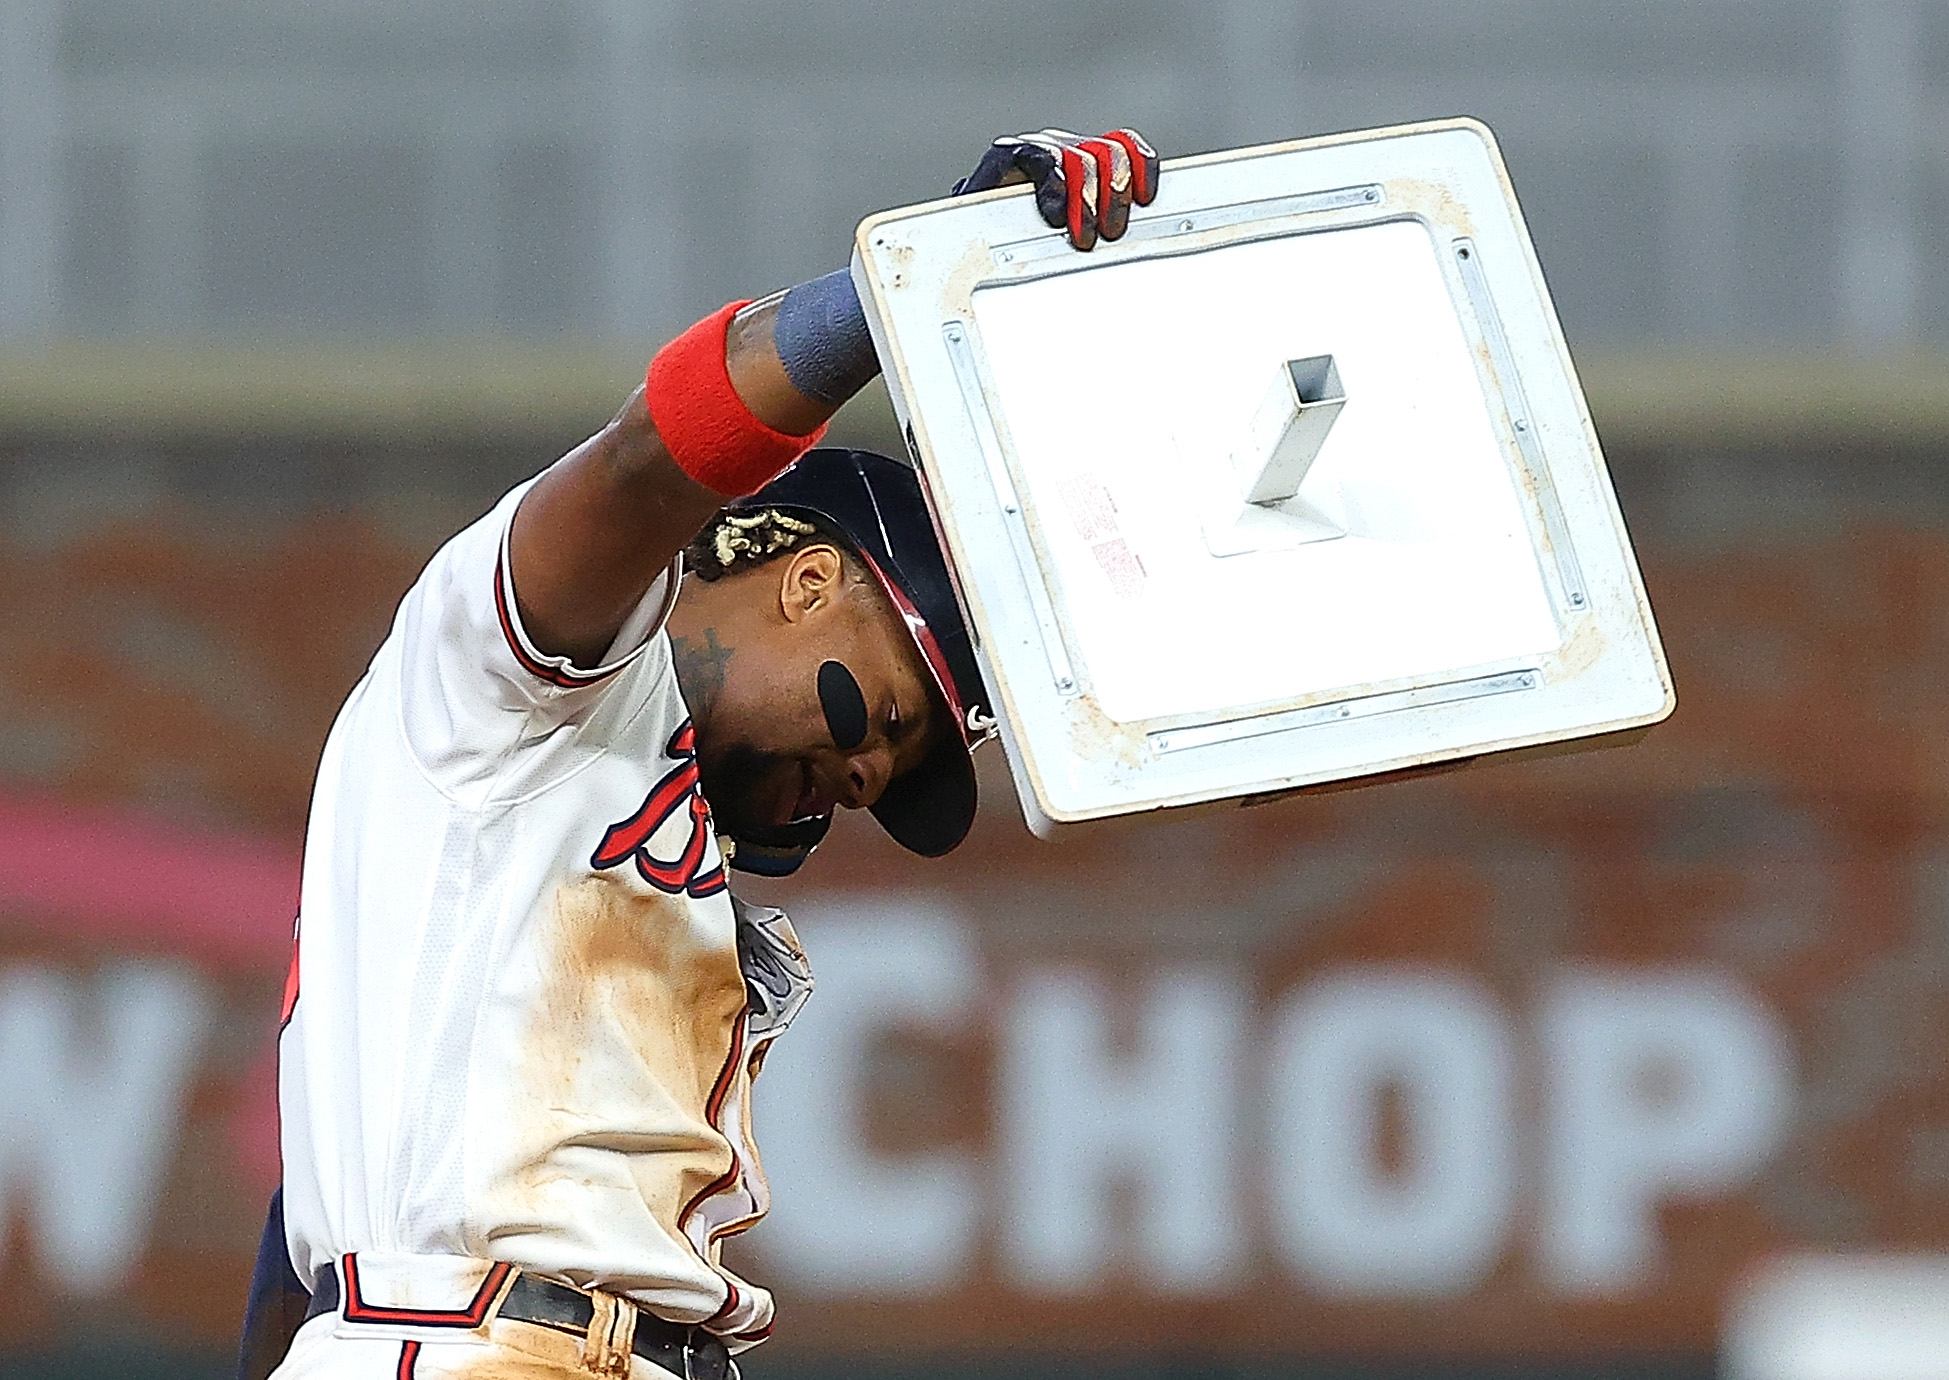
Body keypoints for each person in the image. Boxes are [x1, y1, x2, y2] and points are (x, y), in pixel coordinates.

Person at [241, 127, 1160, 1380]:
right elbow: (640, 466)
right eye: (885, 719)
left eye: (889, 776)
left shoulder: (608, 809)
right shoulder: (527, 680)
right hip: (465, 1343)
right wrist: (891, 298)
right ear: (809, 578)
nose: (862, 779)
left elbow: (295, 1236)